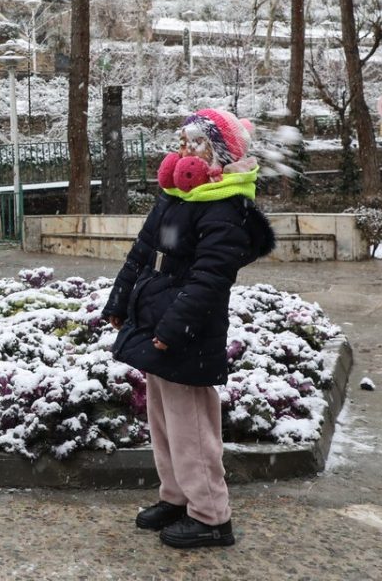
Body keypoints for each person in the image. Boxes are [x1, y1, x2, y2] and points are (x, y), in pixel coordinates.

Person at [103, 108, 275, 549]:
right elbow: (141, 253)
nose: (185, 150)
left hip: (187, 333)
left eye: (196, 142)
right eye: (183, 141)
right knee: (162, 421)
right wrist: (120, 300)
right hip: (155, 323)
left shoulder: (226, 209)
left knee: (192, 429)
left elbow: (209, 280)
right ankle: (177, 498)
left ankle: (212, 516)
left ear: (220, 154)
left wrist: (173, 329)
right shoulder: (175, 197)